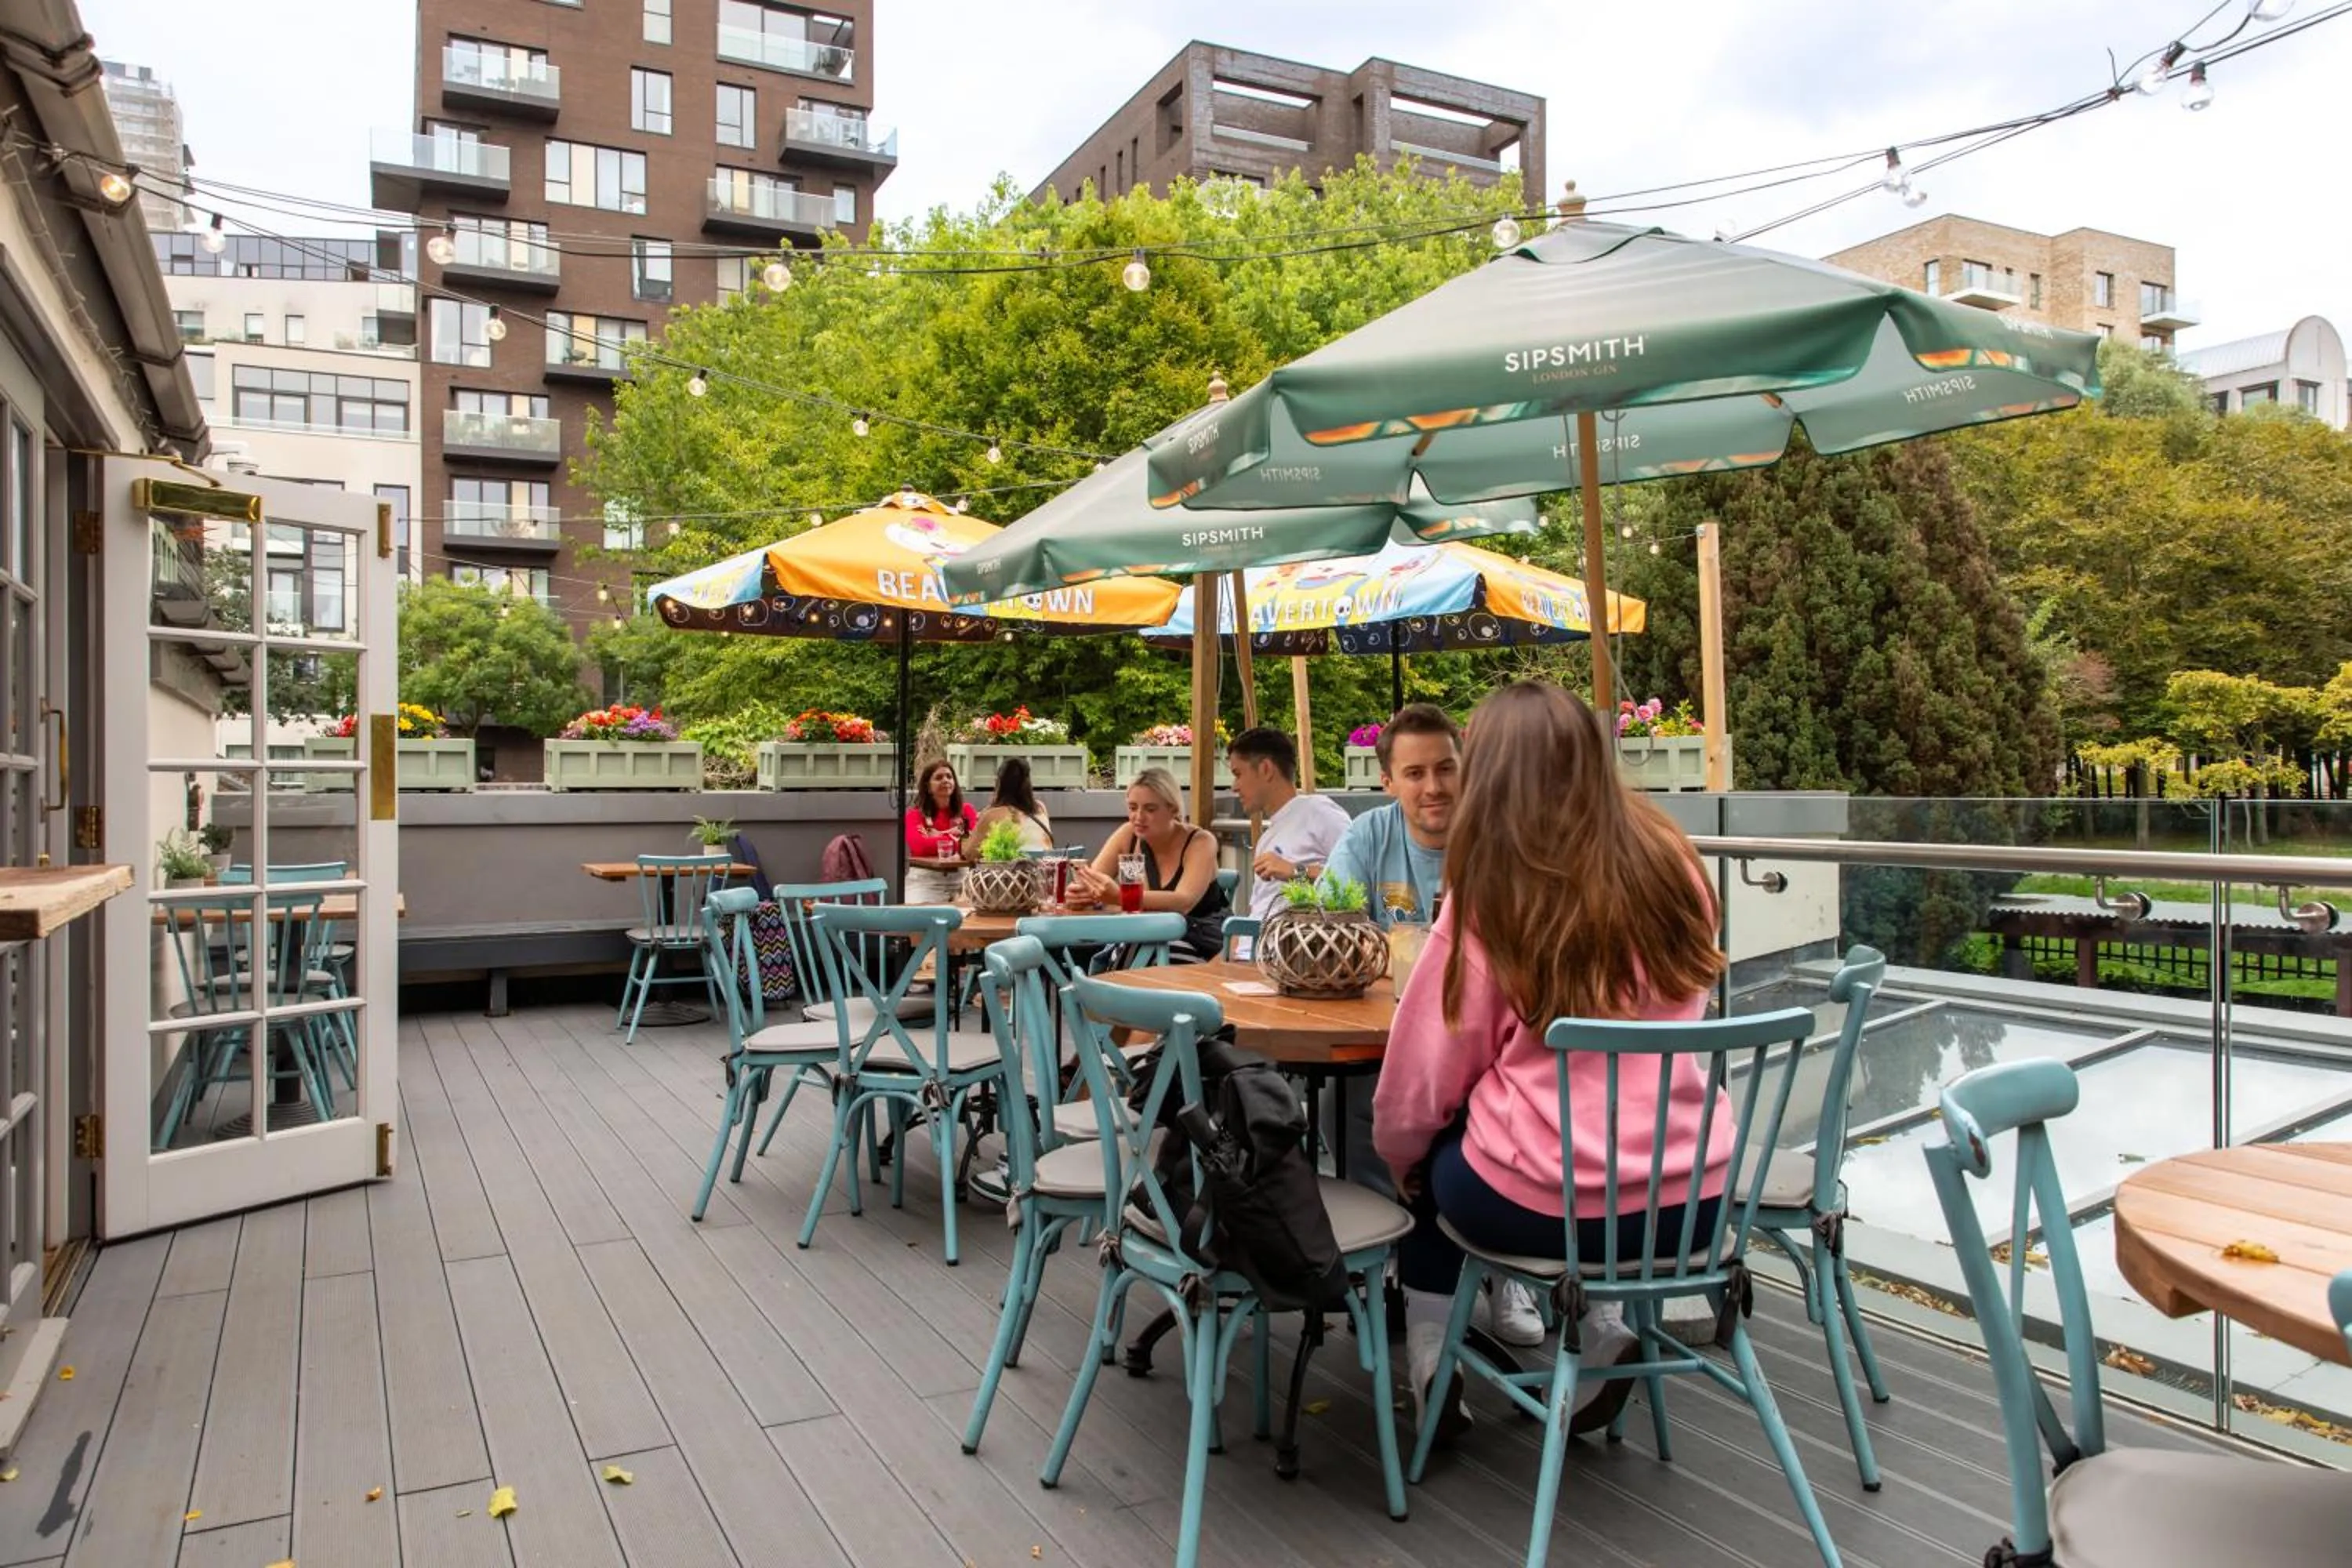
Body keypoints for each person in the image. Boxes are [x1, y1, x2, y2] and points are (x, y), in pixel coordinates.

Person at [1374, 681, 1732, 1440]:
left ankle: (1432, 1354)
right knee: (1543, 1150)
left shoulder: (1490, 893)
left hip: (1545, 1207)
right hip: (1693, 1204)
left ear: (1490, 775)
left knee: (1437, 1147)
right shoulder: (1678, 869)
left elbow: (1422, 1081)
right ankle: (1602, 1334)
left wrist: (1400, 1159)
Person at [1322, 704, 1542, 1349]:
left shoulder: (1502, 837)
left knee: (1509, 1098)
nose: (1434, 787)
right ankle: (1391, 1251)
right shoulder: (1368, 836)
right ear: (1387, 780)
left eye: (1446, 768)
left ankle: (1509, 1274)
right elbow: (1337, 925)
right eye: (1414, 773)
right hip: (1392, 1027)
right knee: (1352, 1093)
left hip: (1487, 1033)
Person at [1067, 766, 1228, 959]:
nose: (1139, 817)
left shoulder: (1200, 841)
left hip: (1201, 943)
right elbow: (1092, 883)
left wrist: (1119, 897)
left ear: (1173, 809)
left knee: (1129, 953)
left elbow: (1183, 902)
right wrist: (1079, 895)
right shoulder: (1129, 835)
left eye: (1150, 809)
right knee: (1068, 951)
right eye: (1133, 808)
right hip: (1146, 936)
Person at [1228, 727, 1353, 923]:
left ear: (1266, 769)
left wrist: (1297, 871)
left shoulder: (1319, 812)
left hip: (1291, 947)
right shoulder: (1267, 838)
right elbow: (1257, 912)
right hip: (1251, 945)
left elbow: (1359, 877)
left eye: (1238, 774)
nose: (1234, 787)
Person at [902, 759, 977, 903]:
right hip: (925, 882)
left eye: (949, 777)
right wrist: (957, 839)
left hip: (962, 880)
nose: (945, 780)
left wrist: (939, 836)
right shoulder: (915, 815)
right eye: (938, 777)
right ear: (928, 787)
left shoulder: (967, 811)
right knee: (917, 919)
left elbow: (974, 845)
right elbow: (920, 847)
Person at [971, 757, 1054, 852]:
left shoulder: (993, 815)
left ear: (999, 783)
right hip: (1043, 866)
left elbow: (970, 854)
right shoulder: (1040, 808)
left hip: (1010, 867)